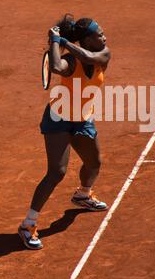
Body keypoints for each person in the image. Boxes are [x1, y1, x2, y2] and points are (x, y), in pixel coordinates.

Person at [18, 14, 111, 250]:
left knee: (94, 162)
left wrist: (62, 41)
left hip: (83, 118)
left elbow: (89, 56)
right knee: (56, 172)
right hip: (59, 118)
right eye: (99, 34)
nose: (104, 36)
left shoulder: (103, 55)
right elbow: (58, 66)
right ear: (87, 40)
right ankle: (28, 224)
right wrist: (55, 42)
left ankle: (82, 195)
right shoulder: (70, 61)